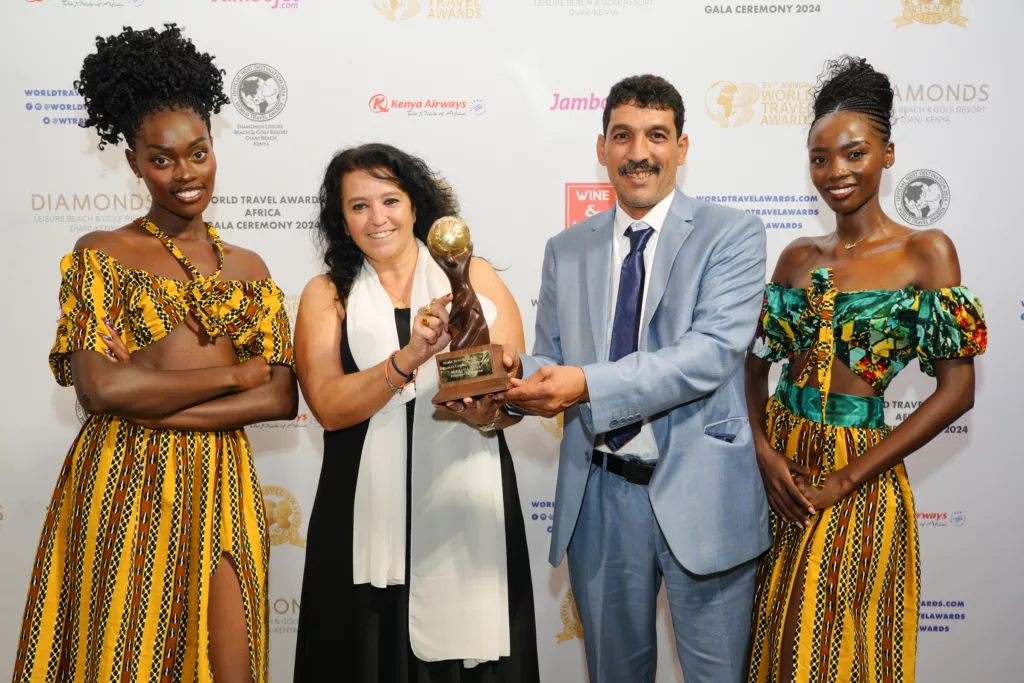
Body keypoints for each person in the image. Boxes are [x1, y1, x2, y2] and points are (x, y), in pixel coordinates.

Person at [12, 23, 298, 683]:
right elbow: (100, 390)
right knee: (126, 661)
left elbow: (282, 396)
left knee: (234, 667)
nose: (185, 173)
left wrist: (150, 401)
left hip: (224, 479)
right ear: (134, 161)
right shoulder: (102, 253)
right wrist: (236, 374)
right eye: (161, 158)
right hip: (124, 477)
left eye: (198, 152)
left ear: (214, 147)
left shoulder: (250, 266)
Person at [499, 74, 772, 683]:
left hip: (705, 494)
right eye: (622, 136)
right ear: (602, 148)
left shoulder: (733, 233)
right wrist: (511, 378)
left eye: (656, 135)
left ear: (682, 146)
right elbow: (551, 358)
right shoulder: (566, 248)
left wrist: (586, 385)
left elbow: (709, 354)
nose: (639, 152)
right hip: (600, 495)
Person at [744, 56, 987, 683]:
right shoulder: (797, 256)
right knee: (776, 643)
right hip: (784, 473)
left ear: (888, 153)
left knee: (834, 652)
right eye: (820, 158)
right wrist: (765, 453)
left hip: (859, 475)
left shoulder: (925, 251)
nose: (836, 172)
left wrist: (845, 479)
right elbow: (754, 366)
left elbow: (958, 391)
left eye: (854, 154)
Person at [291, 143, 540, 683]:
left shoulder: (473, 278)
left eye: (389, 201)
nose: (377, 218)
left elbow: (513, 396)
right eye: (359, 206)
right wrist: (409, 358)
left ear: (414, 205)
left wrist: (485, 413)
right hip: (361, 513)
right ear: (341, 219)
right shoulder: (327, 294)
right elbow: (328, 407)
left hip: (464, 498)